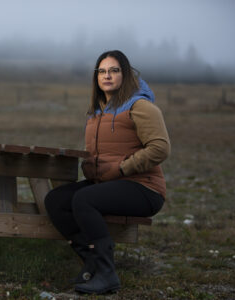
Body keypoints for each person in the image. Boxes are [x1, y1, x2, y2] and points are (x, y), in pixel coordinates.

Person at [44, 50, 170, 294]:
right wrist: (88, 165)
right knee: (56, 200)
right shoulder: (97, 112)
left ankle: (107, 273)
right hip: (109, 183)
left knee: (84, 199)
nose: (107, 76)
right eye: (101, 71)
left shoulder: (140, 106)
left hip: (143, 188)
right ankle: (90, 260)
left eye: (114, 70)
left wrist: (121, 168)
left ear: (126, 74)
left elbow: (160, 148)